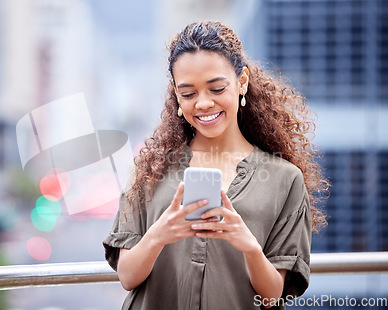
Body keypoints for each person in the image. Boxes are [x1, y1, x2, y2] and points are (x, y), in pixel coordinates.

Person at [103, 20, 328, 310]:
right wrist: (160, 233)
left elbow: (273, 296)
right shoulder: (151, 170)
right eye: (188, 93)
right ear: (175, 94)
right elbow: (128, 277)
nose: (203, 103)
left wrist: (247, 244)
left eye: (216, 88)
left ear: (242, 82)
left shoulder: (285, 180)